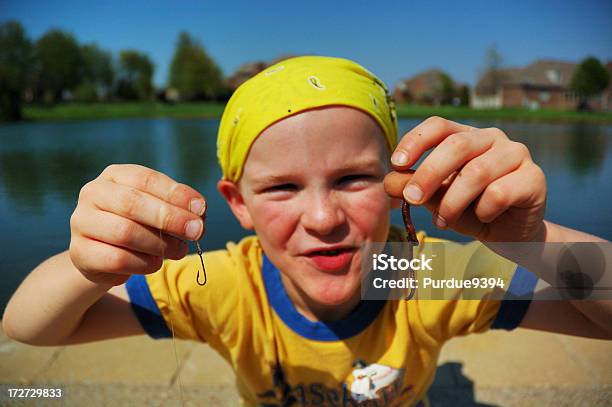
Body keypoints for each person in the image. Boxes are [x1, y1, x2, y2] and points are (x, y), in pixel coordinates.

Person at [3, 56, 610, 406]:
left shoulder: (415, 273)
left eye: (352, 179)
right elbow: (27, 326)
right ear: (236, 204)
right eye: (282, 187)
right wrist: (86, 265)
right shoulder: (224, 288)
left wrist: (532, 240)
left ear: (400, 187)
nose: (322, 220)